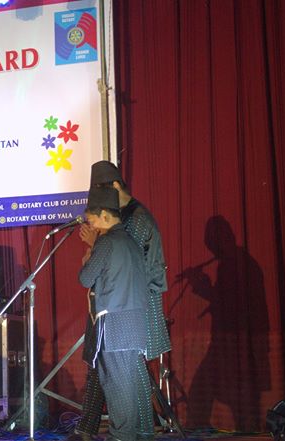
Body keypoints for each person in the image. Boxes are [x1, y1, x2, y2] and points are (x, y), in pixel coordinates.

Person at [75, 161, 170, 439]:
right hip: (118, 304)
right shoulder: (122, 220)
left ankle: (137, 433)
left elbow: (125, 264)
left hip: (133, 304)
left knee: (128, 375)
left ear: (114, 187)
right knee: (108, 368)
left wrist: (95, 246)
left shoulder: (136, 219)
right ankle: (91, 429)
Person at [78, 186, 149, 441]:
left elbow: (86, 278)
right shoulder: (131, 242)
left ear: (105, 215)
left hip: (115, 322)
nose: (91, 226)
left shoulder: (106, 242)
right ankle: (129, 435)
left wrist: (89, 254)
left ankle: (121, 436)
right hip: (136, 322)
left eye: (92, 220)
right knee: (127, 384)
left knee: (116, 385)